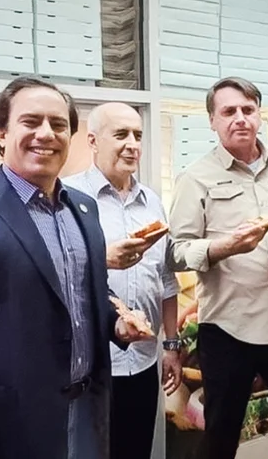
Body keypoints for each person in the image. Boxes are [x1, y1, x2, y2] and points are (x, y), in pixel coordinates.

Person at [0, 77, 145, 459]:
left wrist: (115, 322)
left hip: (87, 408)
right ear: (1, 132)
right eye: (31, 122)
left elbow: (84, 291)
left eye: (58, 125)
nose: (46, 134)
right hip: (8, 423)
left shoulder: (82, 207)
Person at [168, 76, 268, 459]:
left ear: (260, 115)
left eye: (248, 109)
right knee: (221, 436)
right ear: (212, 120)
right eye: (228, 112)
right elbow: (175, 252)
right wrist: (222, 247)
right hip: (228, 329)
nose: (239, 118)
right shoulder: (195, 178)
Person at [64, 102, 182, 459]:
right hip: (91, 364)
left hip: (144, 361)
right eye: (121, 134)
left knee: (136, 451)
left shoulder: (152, 203)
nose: (132, 143)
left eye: (138, 135)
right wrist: (104, 259)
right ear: (93, 141)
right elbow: (55, 272)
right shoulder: (68, 197)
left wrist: (172, 346)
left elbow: (166, 278)